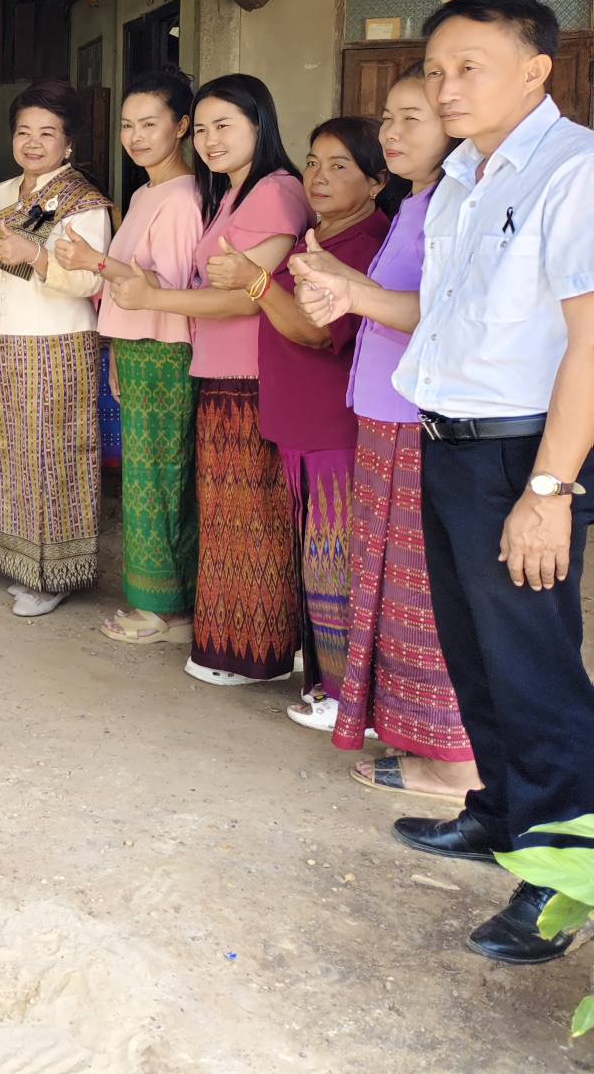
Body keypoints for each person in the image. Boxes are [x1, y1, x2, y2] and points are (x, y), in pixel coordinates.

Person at [377, 0, 594, 965]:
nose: (444, 85)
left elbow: (588, 342)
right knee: (474, 653)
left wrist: (547, 492)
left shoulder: (574, 169)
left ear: (535, 69)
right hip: (449, 439)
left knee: (533, 672)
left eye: (468, 66)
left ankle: (558, 885)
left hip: (518, 454)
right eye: (434, 68)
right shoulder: (462, 176)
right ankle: (501, 815)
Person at [288, 69, 476, 803]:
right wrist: (336, 274)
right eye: (389, 119)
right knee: (394, 589)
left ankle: (456, 764)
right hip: (384, 415)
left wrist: (349, 290)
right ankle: (423, 742)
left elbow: (441, 311)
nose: (393, 134)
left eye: (412, 119)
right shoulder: (419, 202)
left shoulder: (454, 205)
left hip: (415, 421)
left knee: (421, 595)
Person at [109, 75, 311, 687]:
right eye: (202, 129)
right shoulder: (229, 195)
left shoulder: (277, 191)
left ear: (260, 125)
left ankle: (263, 652)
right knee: (228, 515)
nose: (210, 140)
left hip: (255, 373)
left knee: (255, 516)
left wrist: (155, 295)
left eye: (225, 125)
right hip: (219, 372)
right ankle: (235, 641)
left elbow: (252, 299)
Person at [232, 118, 391, 725]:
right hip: (298, 421)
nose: (320, 177)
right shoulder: (316, 236)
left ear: (377, 182)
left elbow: (316, 331)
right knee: (316, 556)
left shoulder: (364, 243)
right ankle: (327, 676)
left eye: (340, 166)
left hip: (333, 427)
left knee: (336, 560)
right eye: (313, 162)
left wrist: (253, 284)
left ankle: (349, 694)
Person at [54, 68, 204, 645]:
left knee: (160, 478)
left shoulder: (183, 198)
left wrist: (93, 260)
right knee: (146, 476)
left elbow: (162, 286)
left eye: (150, 124)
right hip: (137, 347)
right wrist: (115, 346)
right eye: (126, 125)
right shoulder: (145, 192)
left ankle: (168, 610)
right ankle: (157, 599)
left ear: (181, 127)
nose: (136, 136)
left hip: (166, 349)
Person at [0, 79, 113, 618]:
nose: (33, 142)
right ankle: (21, 564)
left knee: (52, 458)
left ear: (69, 143)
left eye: (47, 133)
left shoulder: (83, 204)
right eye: (24, 131)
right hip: (2, 341)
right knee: (7, 456)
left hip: (55, 344)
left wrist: (34, 254)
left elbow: (91, 283)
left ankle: (55, 572)